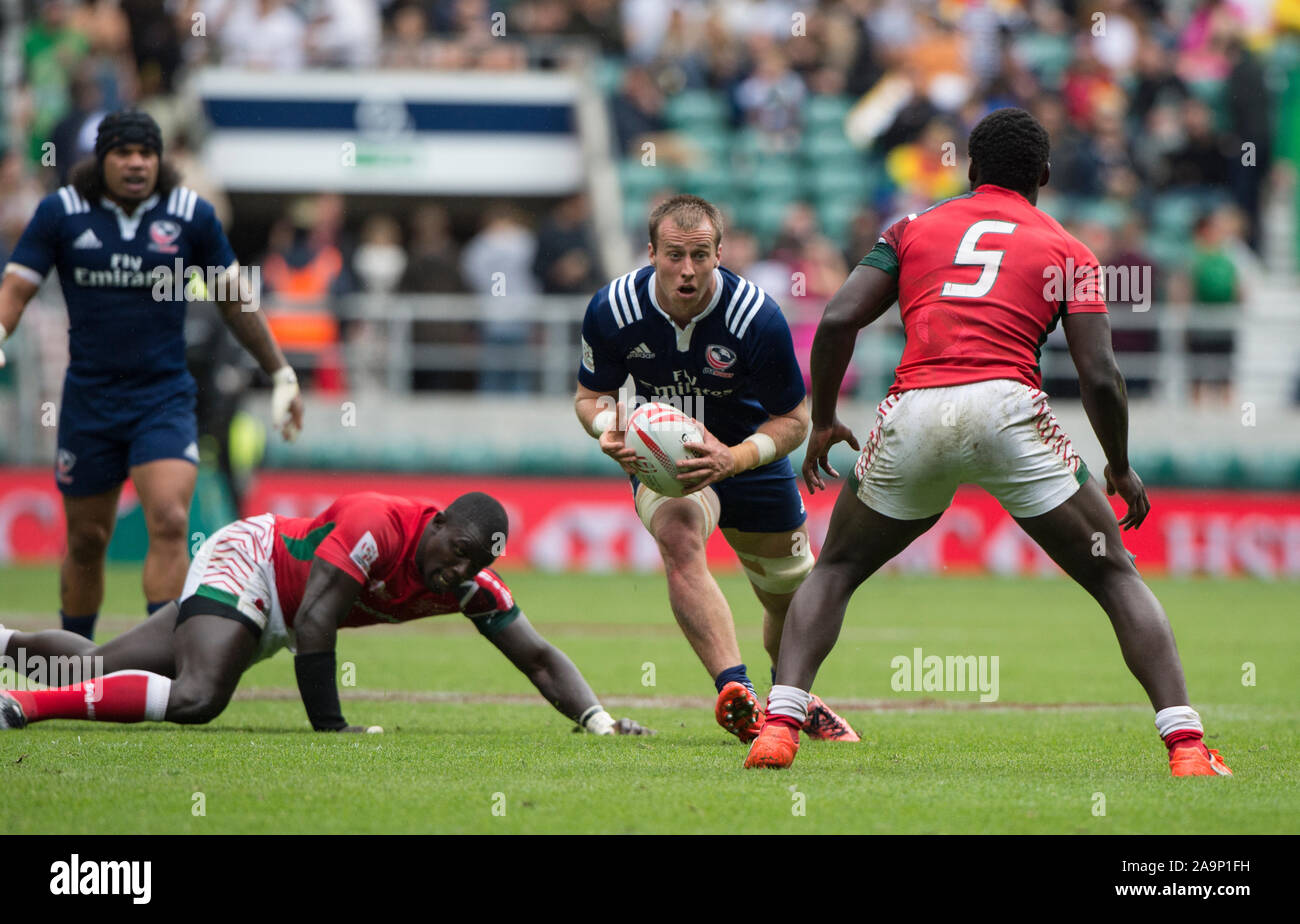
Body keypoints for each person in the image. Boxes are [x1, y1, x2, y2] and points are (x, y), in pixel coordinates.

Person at [743, 108, 1232, 778]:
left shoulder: (913, 226)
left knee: (834, 572)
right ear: (1046, 175)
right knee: (1115, 575)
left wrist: (823, 420)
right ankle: (1187, 749)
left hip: (916, 409)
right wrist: (1119, 467)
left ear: (971, 169)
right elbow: (1100, 376)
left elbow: (836, 317)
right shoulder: (1069, 250)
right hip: (1007, 409)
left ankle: (778, 727)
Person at [0, 109, 304, 642]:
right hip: (89, 401)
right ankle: (78, 660)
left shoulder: (190, 214)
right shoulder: (62, 213)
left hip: (162, 397)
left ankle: (155, 658)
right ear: (102, 159)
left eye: (146, 153)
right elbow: (17, 288)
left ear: (160, 159)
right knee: (88, 538)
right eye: (123, 153)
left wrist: (280, 372)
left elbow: (235, 300)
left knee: (168, 518)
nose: (137, 163)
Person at [0, 491, 651, 737]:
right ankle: (21, 708)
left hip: (274, 612)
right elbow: (315, 618)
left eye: (472, 565)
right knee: (199, 698)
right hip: (252, 563)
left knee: (89, 669)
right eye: (455, 552)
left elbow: (537, 658)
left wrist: (598, 721)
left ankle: (5, 644)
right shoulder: (380, 523)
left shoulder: (467, 584)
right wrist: (331, 727)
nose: (457, 572)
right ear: (439, 521)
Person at [574, 193, 858, 745]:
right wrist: (606, 425)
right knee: (678, 535)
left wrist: (735, 457)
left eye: (700, 255)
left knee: (790, 596)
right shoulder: (611, 310)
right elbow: (589, 396)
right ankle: (737, 691)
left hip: (749, 453)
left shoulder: (757, 317)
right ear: (650, 251)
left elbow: (794, 421)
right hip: (663, 455)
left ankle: (792, 697)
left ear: (720, 253)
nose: (688, 270)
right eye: (674, 255)